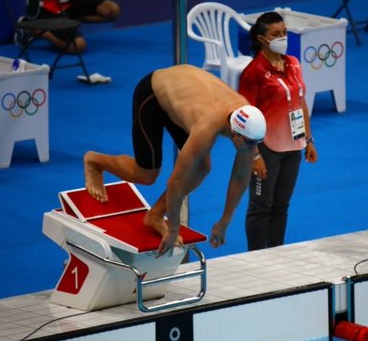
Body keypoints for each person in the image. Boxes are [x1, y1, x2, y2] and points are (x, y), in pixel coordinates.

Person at [83, 64, 266, 256]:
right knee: (146, 174)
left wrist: (225, 221)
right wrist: (172, 229)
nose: (253, 150)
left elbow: (240, 177)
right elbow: (176, 182)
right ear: (234, 133)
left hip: (186, 99)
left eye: (257, 143)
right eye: (250, 144)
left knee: (202, 168)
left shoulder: (247, 120)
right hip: (154, 93)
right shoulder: (206, 130)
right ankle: (95, 161)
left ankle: (154, 215)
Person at [238, 11, 318, 251]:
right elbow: (243, 117)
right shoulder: (253, 73)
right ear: (262, 39)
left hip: (293, 147)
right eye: (276, 34)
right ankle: (255, 258)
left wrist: (309, 139)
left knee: (281, 204)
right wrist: (253, 155)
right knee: (261, 205)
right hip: (266, 149)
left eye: (284, 32)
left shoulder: (293, 63)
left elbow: (301, 102)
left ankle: (276, 253)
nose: (283, 37)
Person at [19, 0, 121, 53]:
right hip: (47, 5)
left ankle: (70, 20)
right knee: (78, 46)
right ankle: (31, 29)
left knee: (112, 11)